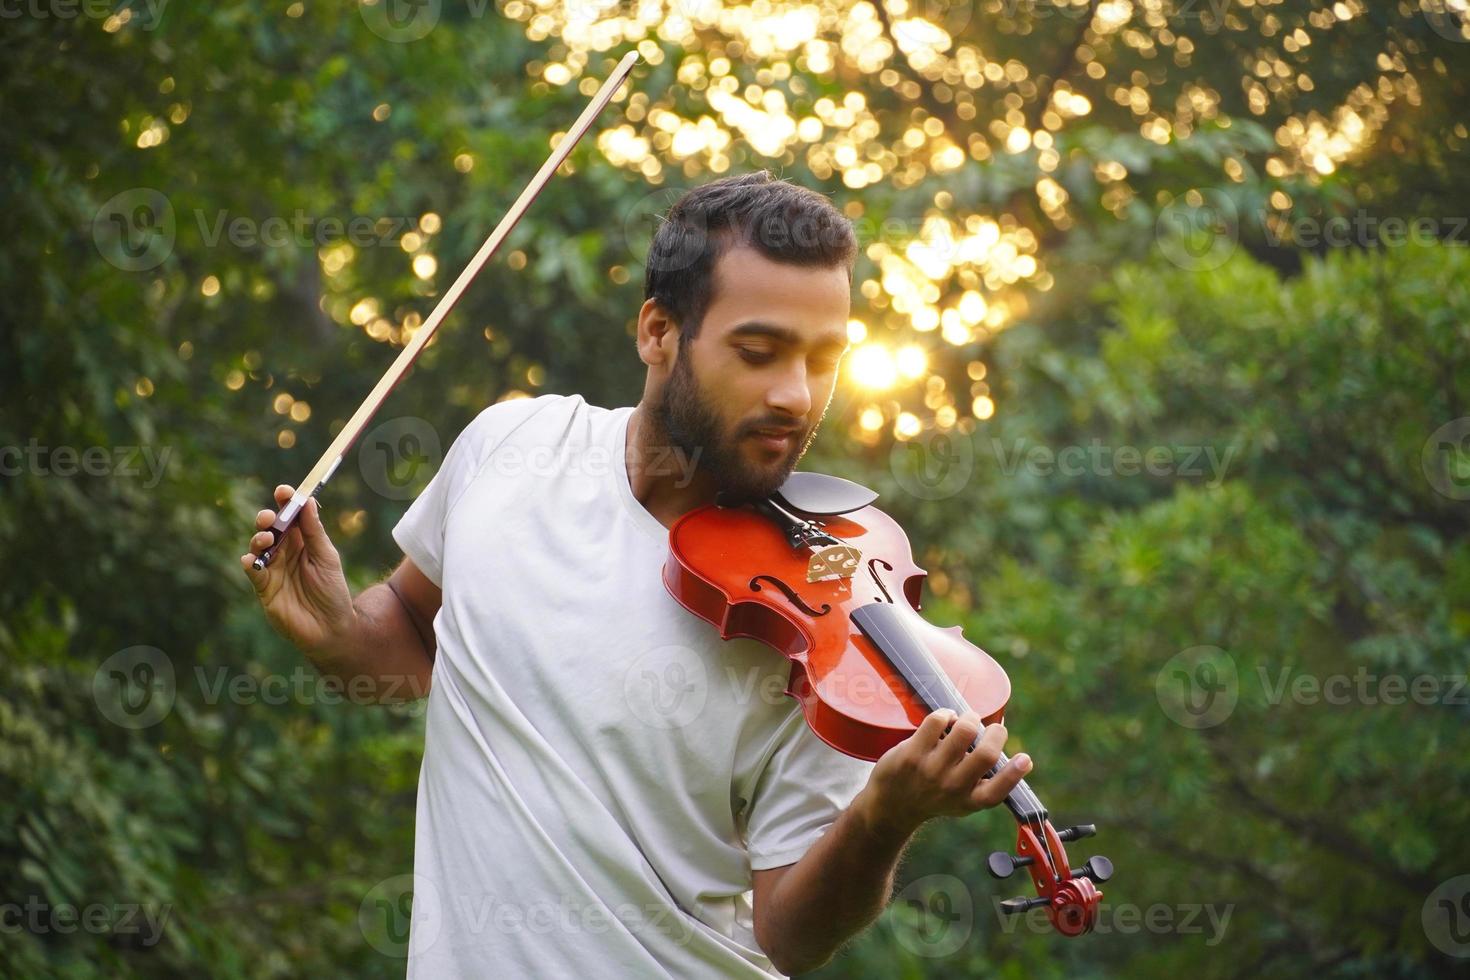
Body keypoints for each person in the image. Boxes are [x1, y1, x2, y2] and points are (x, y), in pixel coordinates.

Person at [241, 171, 1032, 977]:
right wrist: (339, 633)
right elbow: (415, 634)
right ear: (658, 332)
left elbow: (791, 935)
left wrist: (883, 819)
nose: (795, 395)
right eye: (758, 353)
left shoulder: (826, 621)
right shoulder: (511, 447)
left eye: (823, 360)